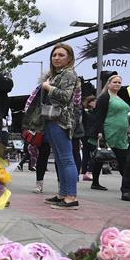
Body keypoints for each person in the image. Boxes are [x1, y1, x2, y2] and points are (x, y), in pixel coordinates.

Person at [29, 44, 80, 209]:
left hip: (61, 121)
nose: (57, 58)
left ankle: (71, 197)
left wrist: (49, 87)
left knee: (66, 159)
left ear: (69, 58)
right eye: (54, 55)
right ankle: (63, 194)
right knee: (60, 159)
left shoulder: (69, 74)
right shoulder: (57, 74)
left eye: (61, 55)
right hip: (52, 120)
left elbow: (65, 96)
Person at [87, 75, 130, 191]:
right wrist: (100, 132)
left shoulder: (121, 97)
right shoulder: (104, 97)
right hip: (109, 131)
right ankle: (95, 182)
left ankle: (127, 184)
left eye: (119, 83)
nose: (117, 84)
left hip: (121, 134)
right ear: (109, 84)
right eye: (115, 82)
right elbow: (99, 116)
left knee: (123, 159)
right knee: (101, 156)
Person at [80, 95, 98, 181]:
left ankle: (86, 171)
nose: (95, 103)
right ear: (89, 102)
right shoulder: (87, 112)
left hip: (89, 134)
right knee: (89, 153)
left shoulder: (95, 112)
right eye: (93, 101)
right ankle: (87, 171)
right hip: (88, 135)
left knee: (89, 153)